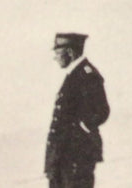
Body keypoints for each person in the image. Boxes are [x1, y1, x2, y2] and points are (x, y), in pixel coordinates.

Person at [46, 32, 110, 188]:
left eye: (57, 52)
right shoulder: (73, 75)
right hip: (63, 156)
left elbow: (101, 111)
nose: (55, 57)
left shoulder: (86, 74)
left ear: (69, 52)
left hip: (76, 155)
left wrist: (81, 130)